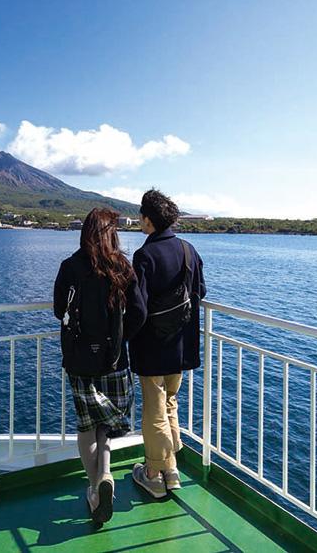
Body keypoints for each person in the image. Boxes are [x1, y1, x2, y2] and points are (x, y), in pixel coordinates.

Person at [54, 207, 145, 524]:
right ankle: (104, 474)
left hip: (79, 360)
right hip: (115, 361)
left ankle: (95, 487)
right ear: (113, 233)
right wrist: (121, 339)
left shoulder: (70, 266)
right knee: (106, 424)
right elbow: (139, 312)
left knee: (86, 426)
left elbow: (57, 309)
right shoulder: (122, 266)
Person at [128, 189, 206, 498]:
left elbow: (138, 307)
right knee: (170, 403)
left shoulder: (144, 256)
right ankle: (171, 470)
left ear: (148, 220)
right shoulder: (188, 250)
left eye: (141, 216)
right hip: (182, 344)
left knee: (154, 410)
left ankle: (153, 474)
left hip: (152, 347)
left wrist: (125, 335)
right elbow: (200, 291)